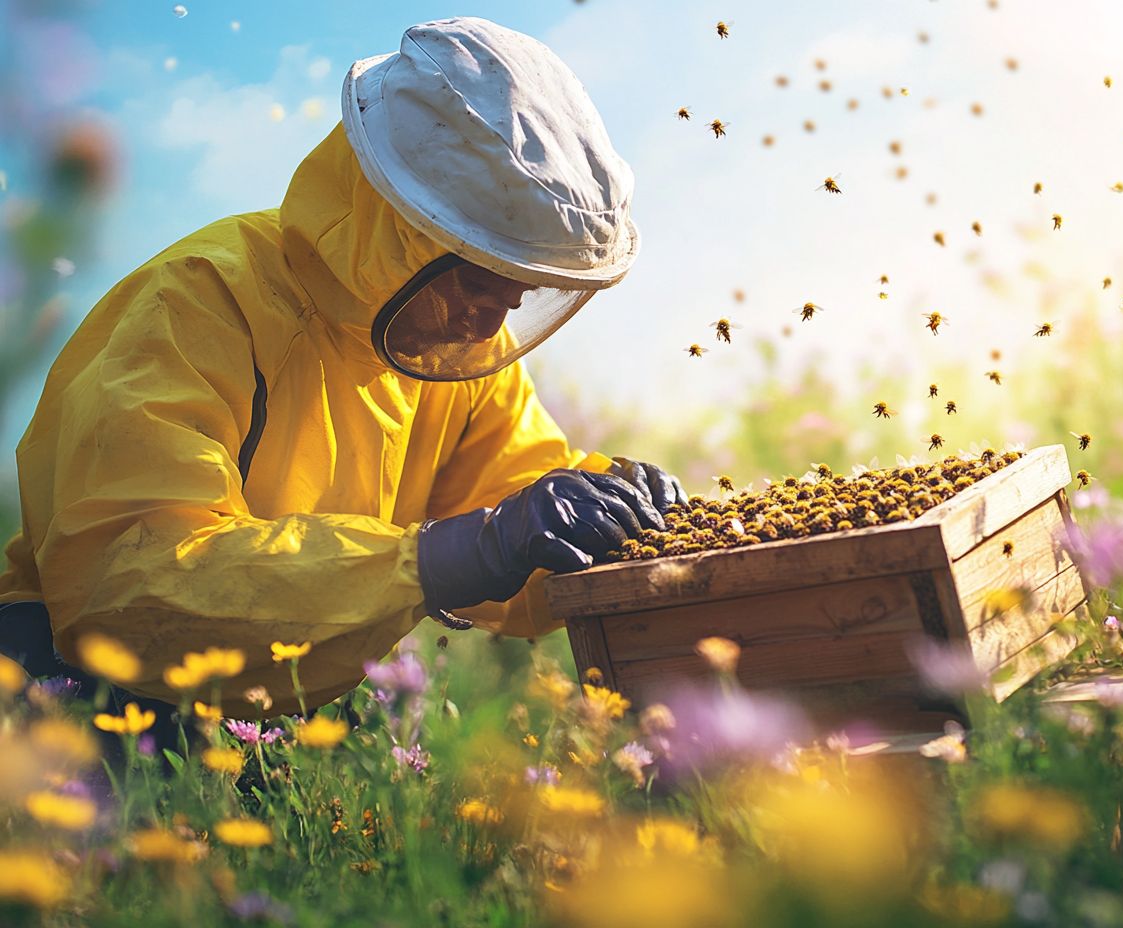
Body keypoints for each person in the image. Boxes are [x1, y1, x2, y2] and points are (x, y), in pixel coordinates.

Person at [0, 17, 684, 717]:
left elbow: (513, 516)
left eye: (523, 286)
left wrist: (612, 525)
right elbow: (134, 582)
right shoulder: (198, 301)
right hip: (73, 689)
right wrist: (437, 557)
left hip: (279, 697)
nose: (497, 315)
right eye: (481, 278)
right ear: (398, 229)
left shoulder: (459, 349)